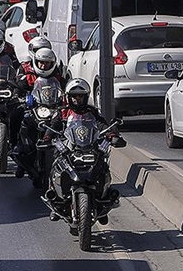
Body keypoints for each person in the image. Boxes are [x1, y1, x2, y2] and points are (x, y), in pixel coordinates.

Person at [43, 78, 126, 222]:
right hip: (68, 148)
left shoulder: (92, 112)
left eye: (80, 96)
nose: (77, 99)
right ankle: (56, 199)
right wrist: (47, 137)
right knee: (55, 164)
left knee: (103, 165)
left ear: (86, 97)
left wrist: (112, 135)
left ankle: (103, 198)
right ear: (68, 97)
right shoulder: (62, 112)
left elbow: (102, 124)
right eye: (74, 96)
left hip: (89, 147)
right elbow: (54, 125)